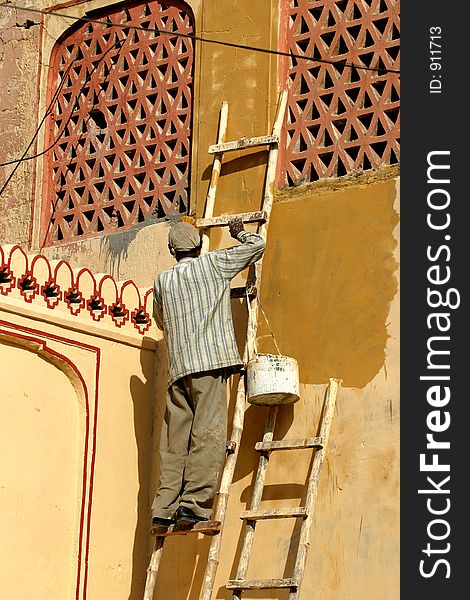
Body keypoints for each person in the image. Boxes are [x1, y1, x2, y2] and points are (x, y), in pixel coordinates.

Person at [151, 216, 265, 529]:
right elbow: (258, 245)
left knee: (175, 442)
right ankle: (193, 508)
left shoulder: (162, 281)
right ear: (200, 245)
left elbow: (160, 322)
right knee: (207, 435)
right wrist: (239, 231)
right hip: (209, 364)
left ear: (173, 251)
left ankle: (162, 511)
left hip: (178, 371)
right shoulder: (212, 264)